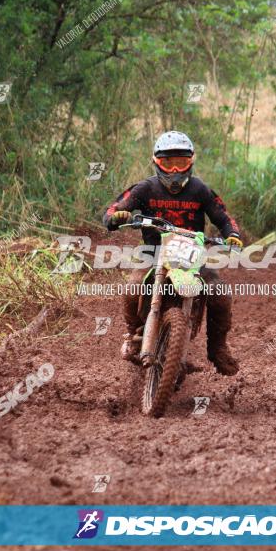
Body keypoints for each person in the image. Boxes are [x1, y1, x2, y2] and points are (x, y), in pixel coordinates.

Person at [102, 131, 243, 376]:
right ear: (156, 162)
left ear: (191, 161)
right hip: (153, 255)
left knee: (220, 293)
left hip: (191, 257)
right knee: (134, 285)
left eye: (181, 162)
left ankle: (217, 347)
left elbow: (223, 215)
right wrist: (117, 217)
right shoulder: (145, 188)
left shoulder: (200, 189)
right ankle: (134, 333)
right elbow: (114, 209)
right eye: (168, 163)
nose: (175, 170)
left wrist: (232, 234)